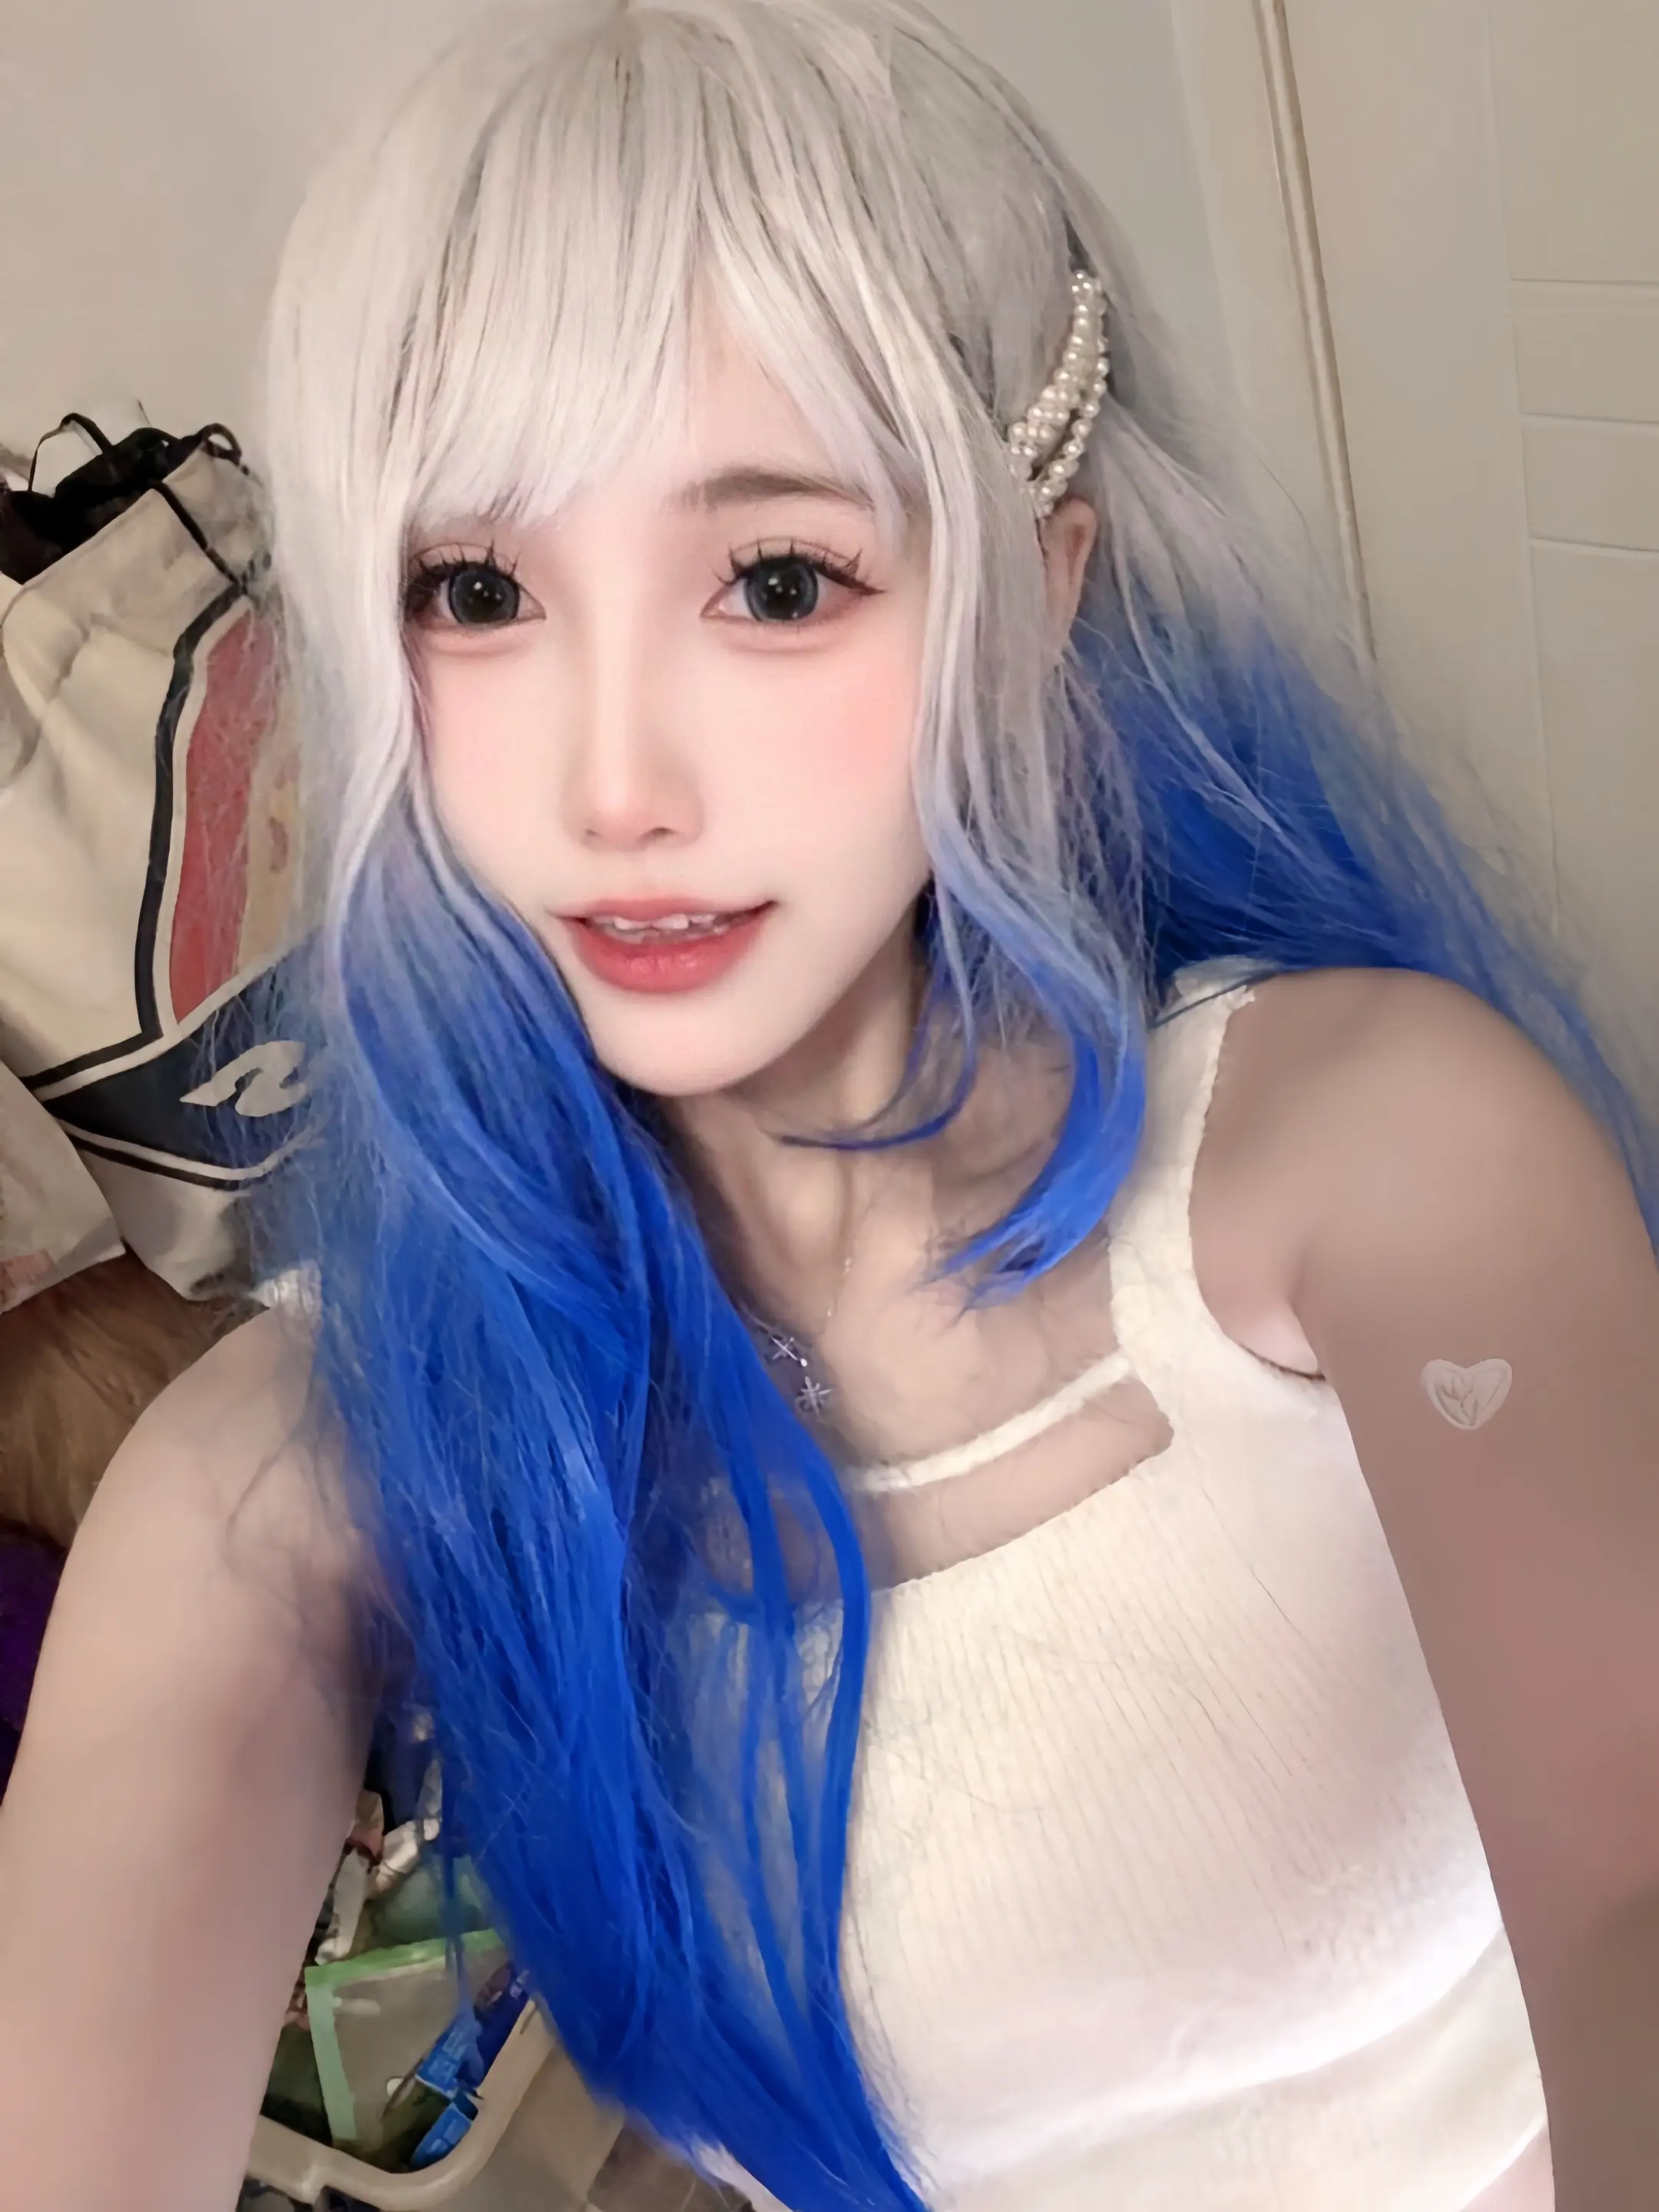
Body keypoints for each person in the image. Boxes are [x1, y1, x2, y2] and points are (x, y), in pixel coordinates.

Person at [4, 2, 1659, 2205]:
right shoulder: (314, 1463)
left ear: (1031, 594)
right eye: (478, 594)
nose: (615, 783)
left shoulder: (1373, 1165)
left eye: (776, 582)